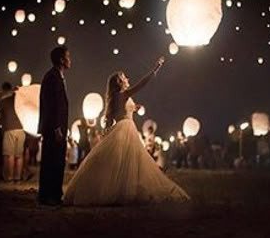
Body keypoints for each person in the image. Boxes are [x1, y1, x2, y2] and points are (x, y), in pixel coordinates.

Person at [63, 57, 190, 205]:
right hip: (126, 129)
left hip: (122, 127)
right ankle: (121, 191)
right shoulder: (123, 94)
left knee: (120, 163)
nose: (126, 78)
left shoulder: (117, 97)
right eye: (123, 77)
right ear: (119, 82)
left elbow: (120, 111)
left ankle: (118, 190)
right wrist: (155, 69)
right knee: (128, 162)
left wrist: (133, 108)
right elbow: (141, 84)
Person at [37, 46, 71, 206]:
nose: (70, 59)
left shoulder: (57, 76)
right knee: (52, 161)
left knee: (57, 161)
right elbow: (52, 105)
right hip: (53, 128)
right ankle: (48, 195)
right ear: (61, 60)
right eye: (68, 56)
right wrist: (57, 128)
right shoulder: (52, 77)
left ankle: (54, 194)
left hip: (58, 127)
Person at [0, 82, 26, 183]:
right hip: (21, 129)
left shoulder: (4, 101)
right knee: (19, 155)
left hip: (9, 129)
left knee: (9, 154)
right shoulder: (21, 101)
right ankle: (18, 177)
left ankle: (9, 177)